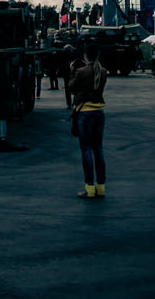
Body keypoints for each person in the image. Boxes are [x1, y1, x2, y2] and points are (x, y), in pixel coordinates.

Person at [66, 42, 108, 200]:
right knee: (99, 150)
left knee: (86, 150)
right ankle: (101, 187)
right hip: (99, 112)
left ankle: (89, 188)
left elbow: (71, 87)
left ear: (85, 56)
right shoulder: (102, 72)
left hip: (85, 112)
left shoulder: (81, 72)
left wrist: (72, 72)